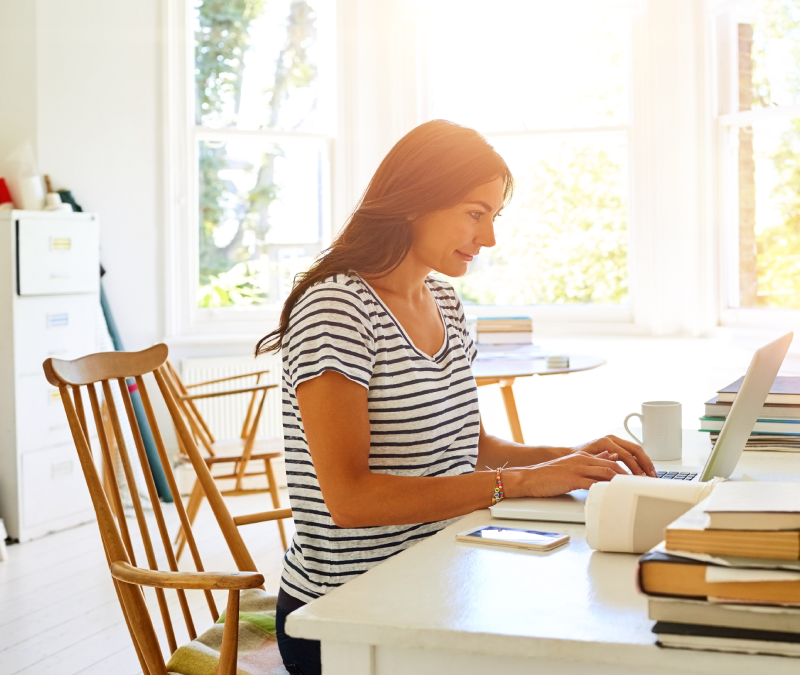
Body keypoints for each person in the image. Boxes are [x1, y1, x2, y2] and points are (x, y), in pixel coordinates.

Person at [255, 120, 655, 675]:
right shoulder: (337, 310)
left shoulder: (443, 301)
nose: (488, 238)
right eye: (475, 213)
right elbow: (350, 501)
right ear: (413, 203)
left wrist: (568, 461)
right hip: (349, 611)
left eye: (493, 217)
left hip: (445, 573)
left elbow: (471, 445)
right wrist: (516, 484)